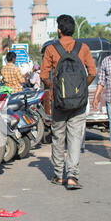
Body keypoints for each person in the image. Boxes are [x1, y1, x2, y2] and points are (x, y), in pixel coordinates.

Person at [40, 14, 97, 190]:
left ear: (59, 30)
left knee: (58, 137)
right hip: (79, 102)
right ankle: (72, 176)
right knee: (75, 138)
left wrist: (54, 89)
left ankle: (59, 175)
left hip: (59, 101)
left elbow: (43, 75)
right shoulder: (83, 47)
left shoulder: (51, 49)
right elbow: (92, 73)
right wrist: (81, 88)